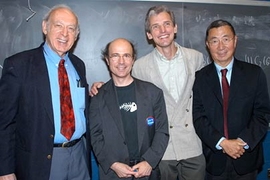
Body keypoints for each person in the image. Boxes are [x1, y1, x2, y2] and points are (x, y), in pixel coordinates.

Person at [90, 5, 206, 180]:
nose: (163, 30)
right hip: (162, 155)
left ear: (175, 28)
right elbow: (119, 81)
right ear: (149, 34)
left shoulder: (196, 59)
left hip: (190, 146)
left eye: (167, 24)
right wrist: (99, 87)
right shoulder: (141, 67)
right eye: (155, 26)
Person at [0, 4, 91, 180]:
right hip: (40, 160)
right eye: (58, 25)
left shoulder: (79, 65)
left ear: (76, 34)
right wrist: (4, 169)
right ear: (45, 27)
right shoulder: (18, 65)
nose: (65, 33)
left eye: (71, 28)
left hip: (79, 155)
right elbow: (4, 122)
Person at [192, 19, 270, 180]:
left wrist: (242, 142)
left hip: (246, 158)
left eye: (226, 39)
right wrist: (223, 143)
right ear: (207, 45)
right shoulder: (200, 78)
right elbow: (199, 118)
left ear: (235, 40)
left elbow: (262, 114)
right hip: (213, 161)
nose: (221, 47)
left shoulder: (254, 74)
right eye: (215, 41)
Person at [89, 38, 169, 180]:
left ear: (133, 60)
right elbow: (95, 136)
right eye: (115, 56)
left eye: (126, 55)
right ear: (107, 60)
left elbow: (162, 131)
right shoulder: (97, 97)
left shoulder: (153, 92)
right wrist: (113, 164)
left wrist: (149, 161)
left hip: (147, 173)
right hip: (113, 174)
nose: (121, 61)